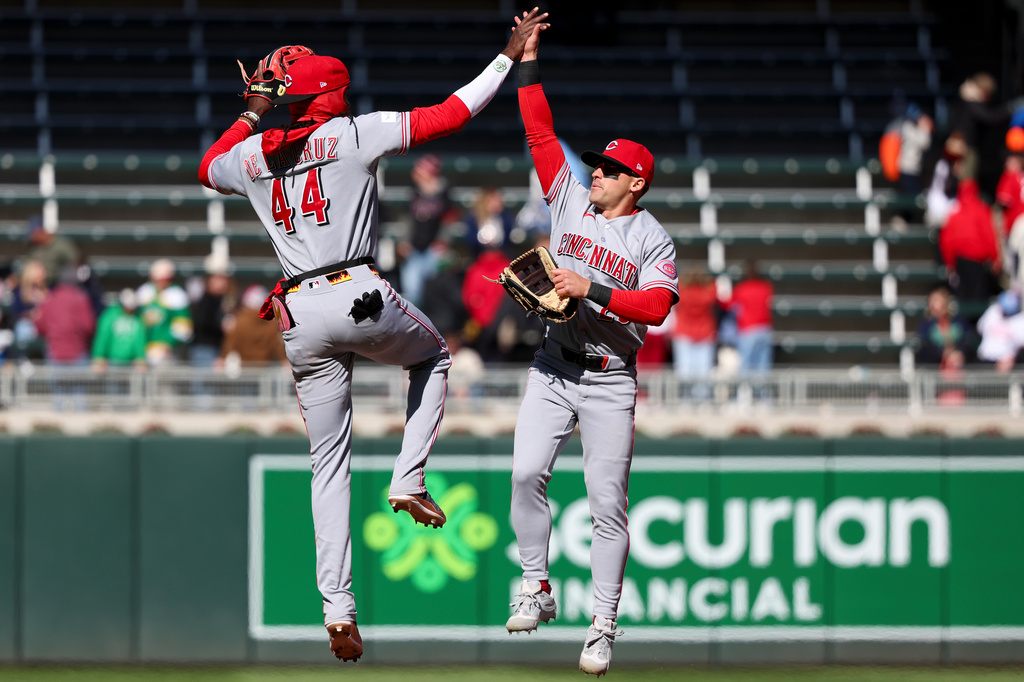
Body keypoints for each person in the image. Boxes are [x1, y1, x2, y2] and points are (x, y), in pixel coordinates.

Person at [197, 10, 548, 663]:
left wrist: (250, 112)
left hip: (297, 310)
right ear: (334, 95)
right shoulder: (356, 133)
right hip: (355, 291)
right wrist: (507, 54)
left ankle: (337, 611)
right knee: (436, 357)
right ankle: (408, 477)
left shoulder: (250, 156)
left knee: (327, 462)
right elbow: (452, 112)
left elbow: (206, 167)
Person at [504, 18, 678, 677]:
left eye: (611, 168)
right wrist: (528, 63)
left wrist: (593, 287)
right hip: (553, 364)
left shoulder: (652, 239)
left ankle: (602, 626)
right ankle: (537, 585)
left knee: (607, 507)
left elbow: (657, 308)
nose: (597, 171)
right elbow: (541, 133)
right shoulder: (569, 202)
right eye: (599, 164)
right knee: (524, 475)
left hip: (609, 377)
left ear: (635, 182)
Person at [938, 178, 1002, 312]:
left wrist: (950, 262)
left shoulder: (954, 211)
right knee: (978, 299)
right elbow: (989, 235)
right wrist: (995, 258)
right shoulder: (982, 209)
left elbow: (946, 240)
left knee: (963, 298)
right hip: (978, 262)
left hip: (960, 261)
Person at [398, 153, 452, 307]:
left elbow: (449, 219)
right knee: (412, 291)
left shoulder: (444, 192)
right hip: (414, 247)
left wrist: (443, 241)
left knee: (433, 290)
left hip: (434, 247)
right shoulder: (414, 193)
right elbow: (406, 219)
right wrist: (404, 241)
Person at [137, 258, 194, 366]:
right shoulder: (144, 292)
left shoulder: (177, 295)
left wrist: (168, 344)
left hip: (167, 353)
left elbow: (183, 327)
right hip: (142, 351)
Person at [671, 267, 718, 397]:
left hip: (686, 333)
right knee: (703, 372)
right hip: (703, 333)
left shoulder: (683, 291)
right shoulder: (706, 292)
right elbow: (715, 294)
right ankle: (700, 401)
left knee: (685, 371)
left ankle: (685, 400)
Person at [723, 260, 774, 378]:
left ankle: (745, 394)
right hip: (765, 329)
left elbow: (727, 304)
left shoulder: (742, 289)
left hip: (748, 330)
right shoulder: (766, 287)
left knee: (746, 367)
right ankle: (764, 395)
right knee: (763, 367)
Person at [914, 283, 976, 370]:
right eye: (931, 301)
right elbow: (923, 347)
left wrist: (960, 354)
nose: (932, 304)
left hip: (959, 367)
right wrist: (943, 354)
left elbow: (969, 341)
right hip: (936, 368)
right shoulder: (926, 325)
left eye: (936, 300)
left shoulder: (959, 321)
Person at [92, 287, 148, 375]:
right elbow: (103, 337)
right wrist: (99, 356)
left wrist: (140, 357)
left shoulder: (138, 317)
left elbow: (140, 339)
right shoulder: (110, 315)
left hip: (131, 363)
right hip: (112, 361)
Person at [976, 289, 1024, 372]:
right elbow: (979, 328)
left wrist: (1012, 359)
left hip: (1008, 364)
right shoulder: (993, 311)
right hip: (985, 359)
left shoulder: (1020, 319)